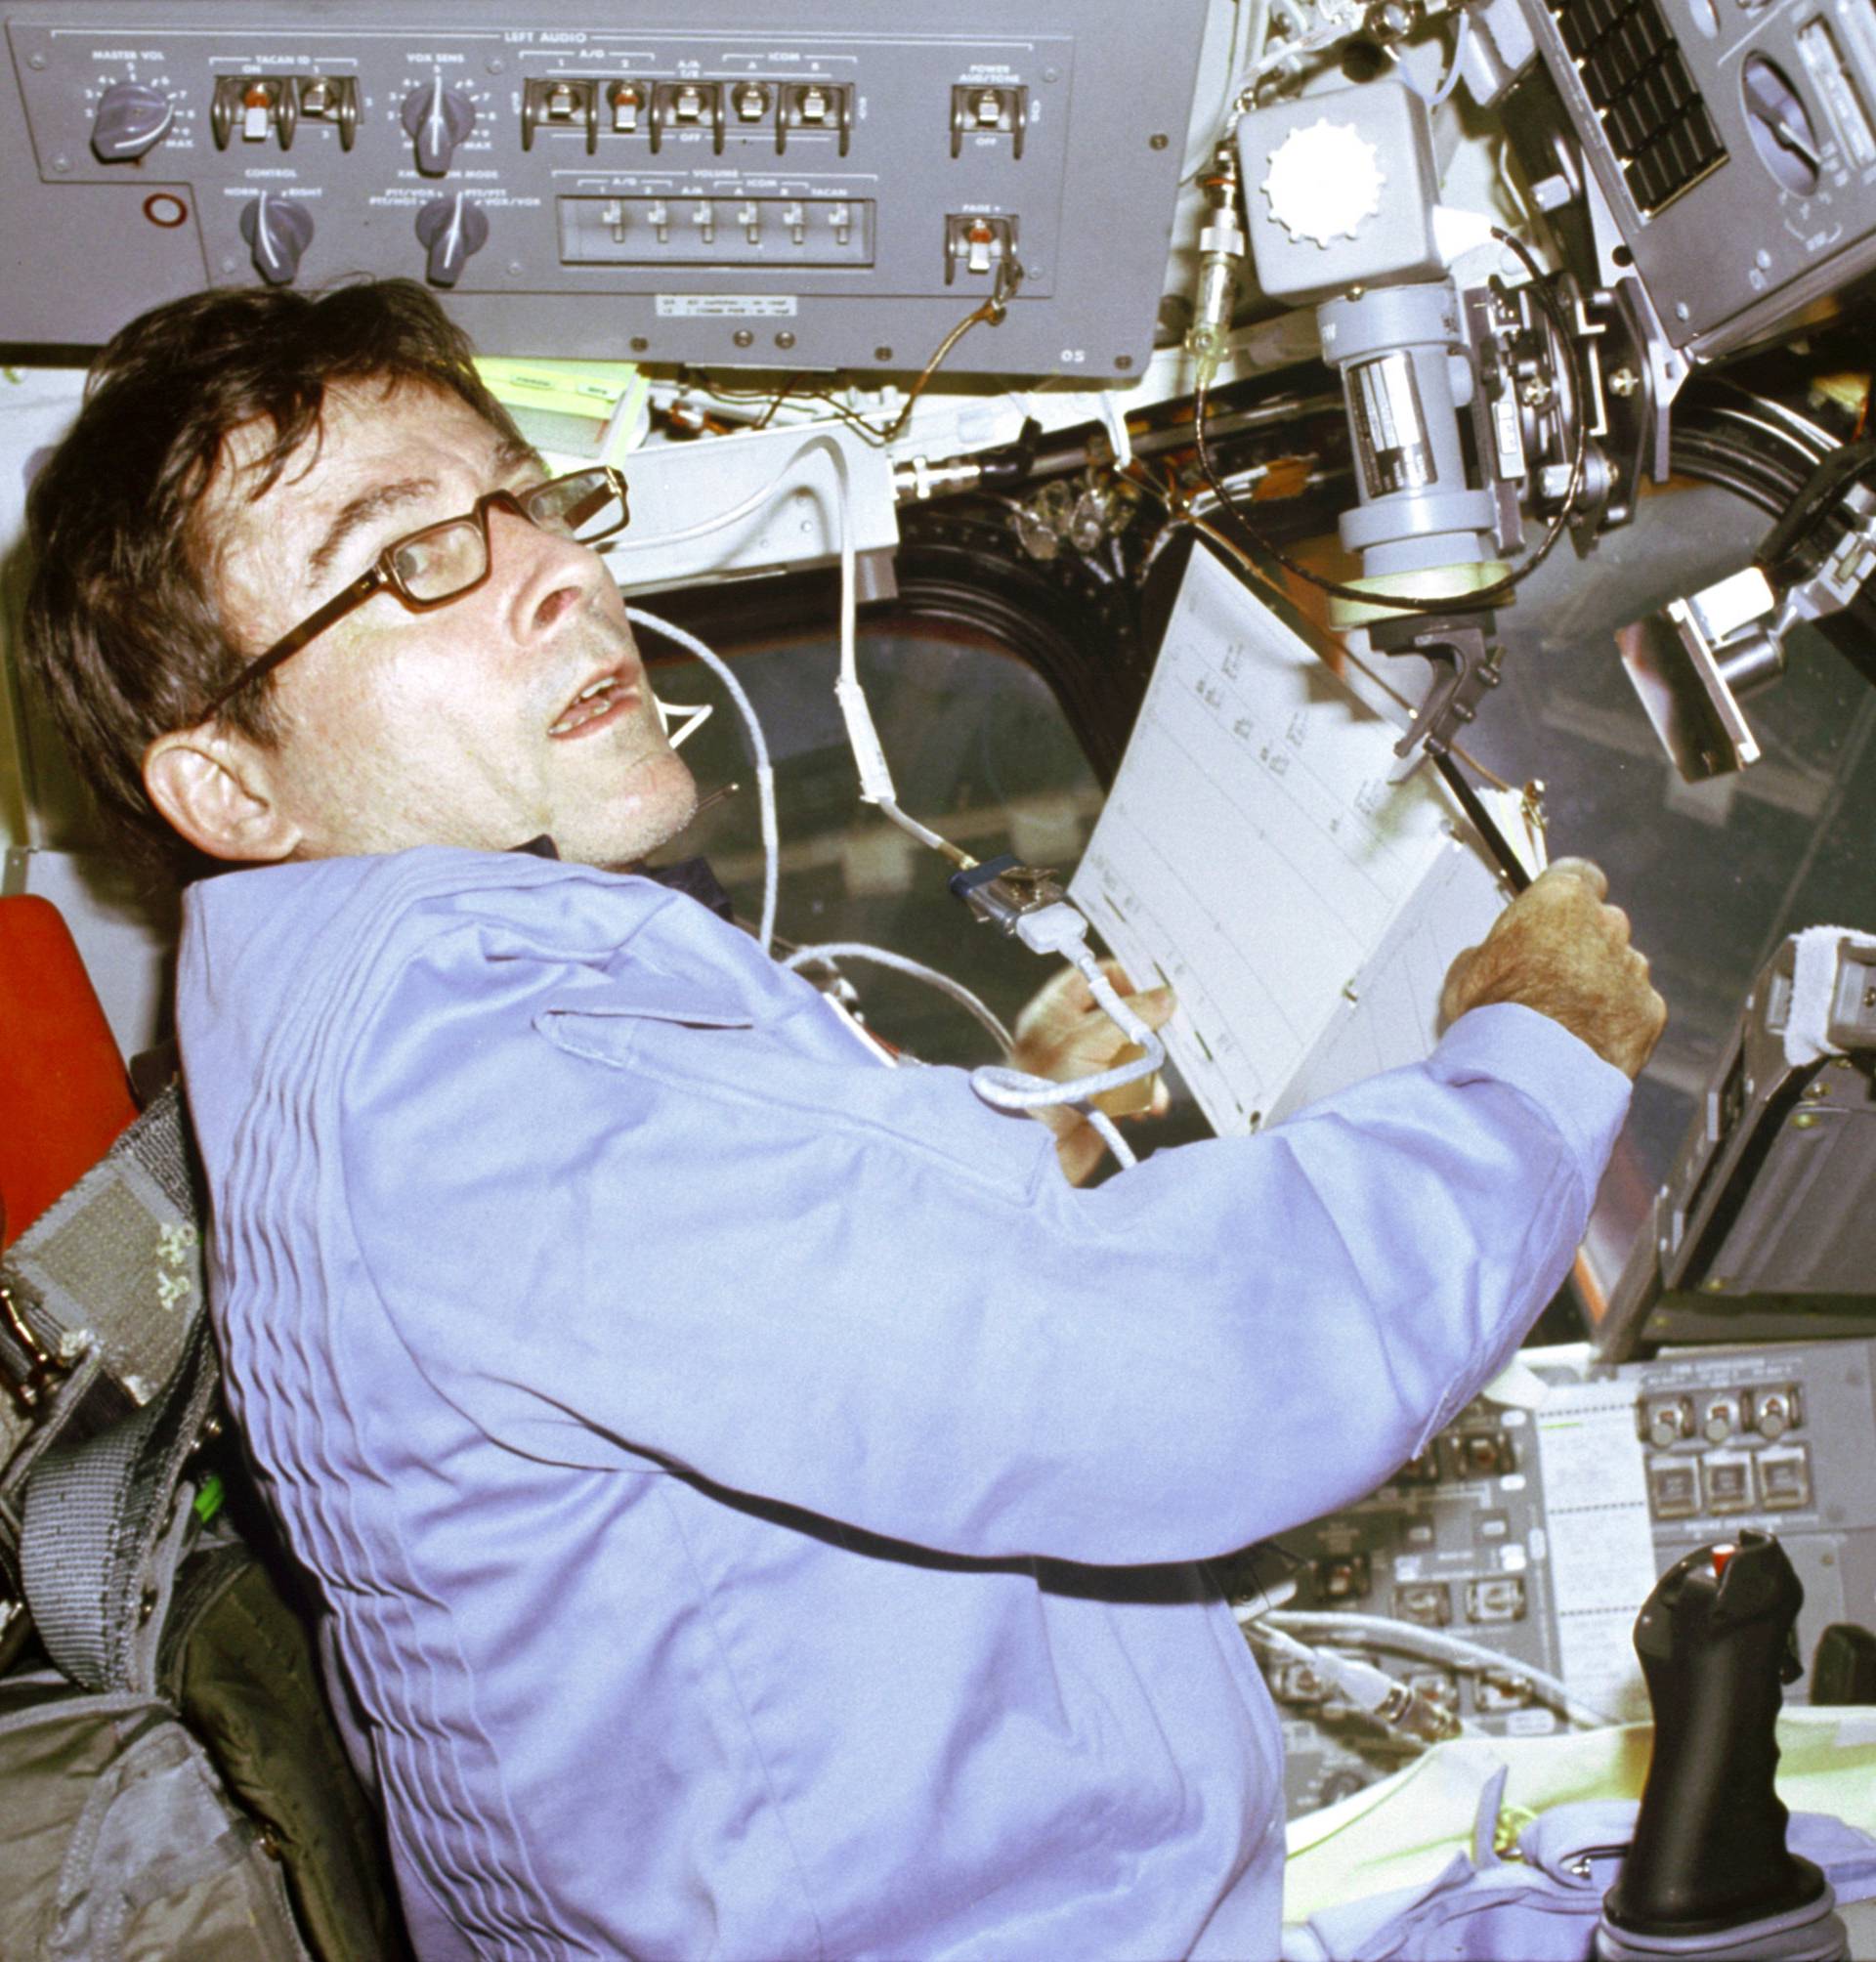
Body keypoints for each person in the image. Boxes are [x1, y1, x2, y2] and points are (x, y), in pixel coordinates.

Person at [20, 278, 1664, 1960]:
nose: (559, 574)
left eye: (526, 503)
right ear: (231, 784)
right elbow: (1182, 1382)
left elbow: (744, 1270)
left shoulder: (361, 1018)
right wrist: (1531, 1060)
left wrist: (1033, 1125)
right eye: (410, 556)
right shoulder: (493, 1077)